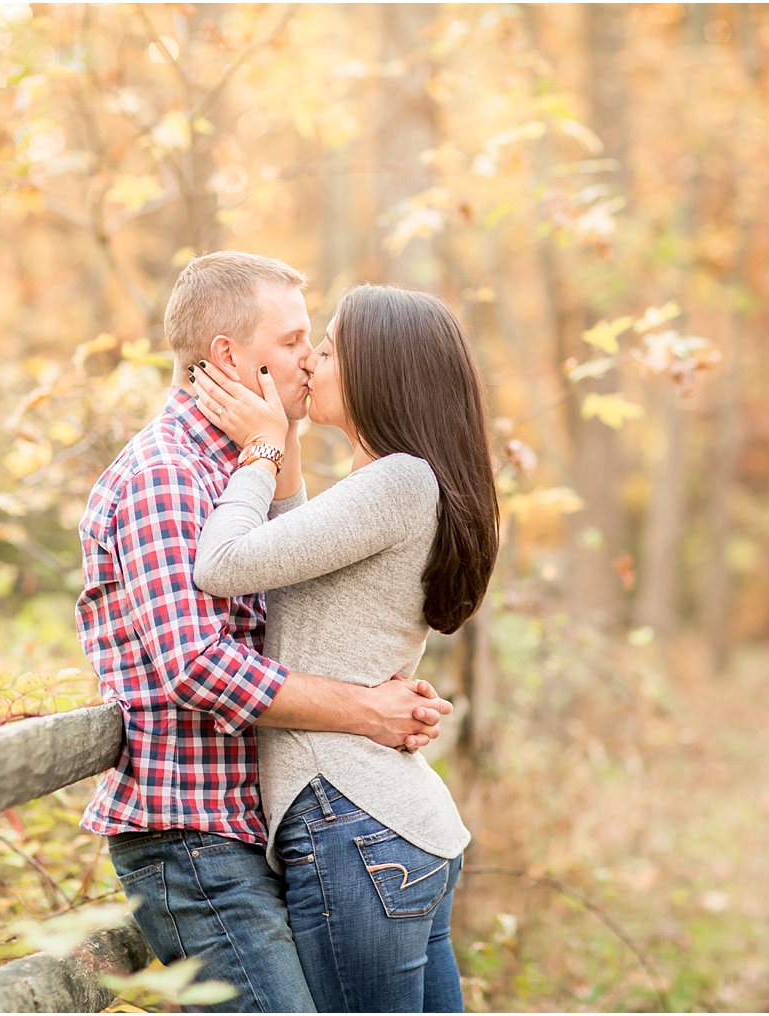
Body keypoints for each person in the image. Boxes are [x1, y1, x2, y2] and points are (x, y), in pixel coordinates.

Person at [77, 253, 456, 1013]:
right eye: (292, 342)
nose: (309, 359)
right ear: (229, 357)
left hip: (243, 829)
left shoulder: (233, 473)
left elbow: (303, 607)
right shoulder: (168, 473)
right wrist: (361, 709)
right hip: (188, 837)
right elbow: (196, 665)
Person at [187, 283, 500, 1013]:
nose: (308, 365)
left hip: (351, 822)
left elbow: (224, 564)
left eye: (324, 350)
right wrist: (282, 437)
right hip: (389, 826)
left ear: (375, 370)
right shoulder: (405, 481)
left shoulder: (396, 481)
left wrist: (259, 449)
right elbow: (292, 549)